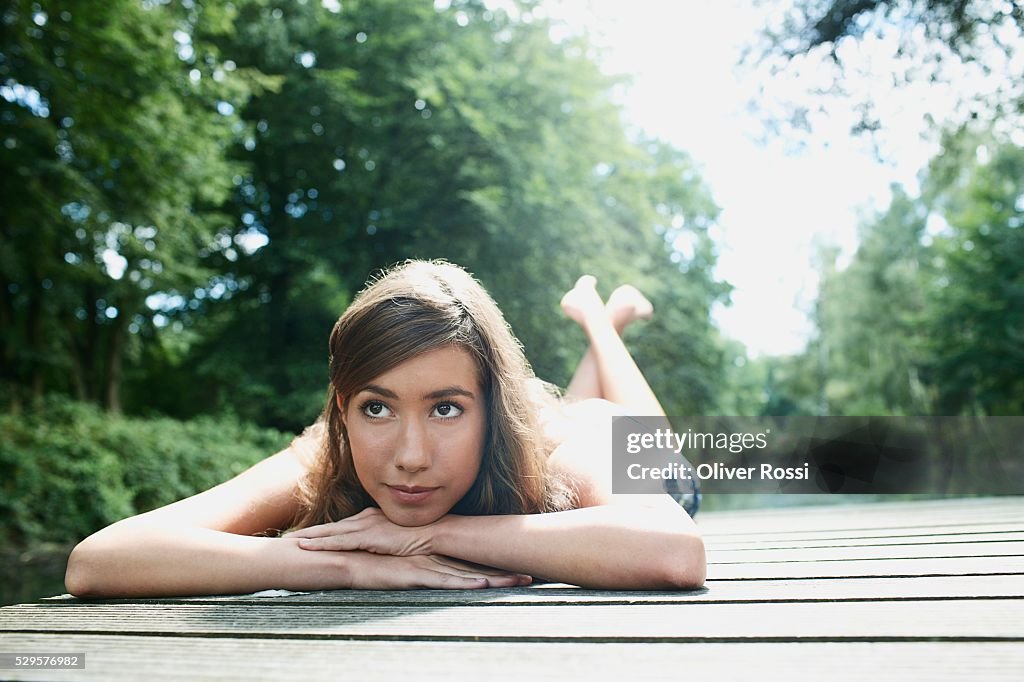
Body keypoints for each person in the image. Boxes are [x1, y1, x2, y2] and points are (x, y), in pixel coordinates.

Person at [64, 260, 705, 597]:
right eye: (377, 407)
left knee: (631, 426)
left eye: (447, 408)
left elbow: (673, 550)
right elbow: (97, 563)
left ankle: (599, 316)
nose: (409, 456)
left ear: (493, 407)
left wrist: (431, 535)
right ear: (342, 408)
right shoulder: (327, 453)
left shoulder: (565, 447)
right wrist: (337, 565)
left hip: (627, 450)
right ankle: (603, 322)